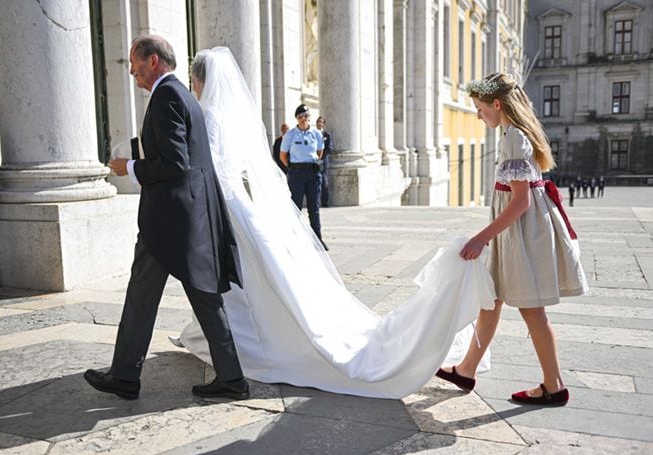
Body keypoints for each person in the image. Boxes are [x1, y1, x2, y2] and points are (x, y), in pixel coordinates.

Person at [167, 46, 495, 399]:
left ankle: (242, 342)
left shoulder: (209, 116)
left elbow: (208, 168)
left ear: (200, 80)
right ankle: (222, 336)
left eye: (192, 79)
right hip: (238, 204)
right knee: (256, 278)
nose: (192, 85)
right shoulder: (226, 117)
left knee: (247, 279)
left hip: (227, 207)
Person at [83, 35, 249, 401]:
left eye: (134, 62)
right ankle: (231, 378)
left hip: (170, 223)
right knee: (197, 297)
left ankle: (126, 376)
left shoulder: (167, 95)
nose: (130, 70)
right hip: (186, 219)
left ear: (153, 60)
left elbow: (176, 162)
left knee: (145, 294)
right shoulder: (182, 95)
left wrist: (130, 167)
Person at [436, 73, 587, 406]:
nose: (477, 115)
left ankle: (554, 385)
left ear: (497, 104)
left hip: (522, 235)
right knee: (490, 300)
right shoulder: (515, 134)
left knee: (533, 311)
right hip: (516, 233)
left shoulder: (513, 138)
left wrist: (480, 238)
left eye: (479, 108)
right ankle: (466, 369)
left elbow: (521, 202)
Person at [279, 104, 328, 250]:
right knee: (296, 207)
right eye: (300, 117)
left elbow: (320, 152)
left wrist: (311, 163)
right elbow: (282, 156)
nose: (303, 119)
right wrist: (293, 168)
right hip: (297, 173)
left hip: (312, 173)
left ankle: (317, 240)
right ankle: (293, 239)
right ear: (297, 118)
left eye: (305, 116)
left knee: (314, 207)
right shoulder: (291, 134)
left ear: (309, 117)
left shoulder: (317, 134)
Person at [316, 116, 333, 207]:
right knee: (315, 183)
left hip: (323, 162)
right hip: (314, 162)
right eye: (318, 121)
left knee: (324, 182)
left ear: (323, 124)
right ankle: (316, 202)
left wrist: (321, 157)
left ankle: (325, 202)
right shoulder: (313, 134)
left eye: (321, 122)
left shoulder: (327, 135)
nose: (319, 123)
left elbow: (329, 148)